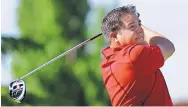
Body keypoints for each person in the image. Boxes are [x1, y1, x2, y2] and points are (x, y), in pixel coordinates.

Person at [100, 5, 175, 106]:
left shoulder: (107, 61)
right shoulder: (134, 55)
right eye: (132, 26)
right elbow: (168, 46)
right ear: (114, 36)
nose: (140, 30)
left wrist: (135, 25)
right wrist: (142, 25)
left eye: (139, 24)